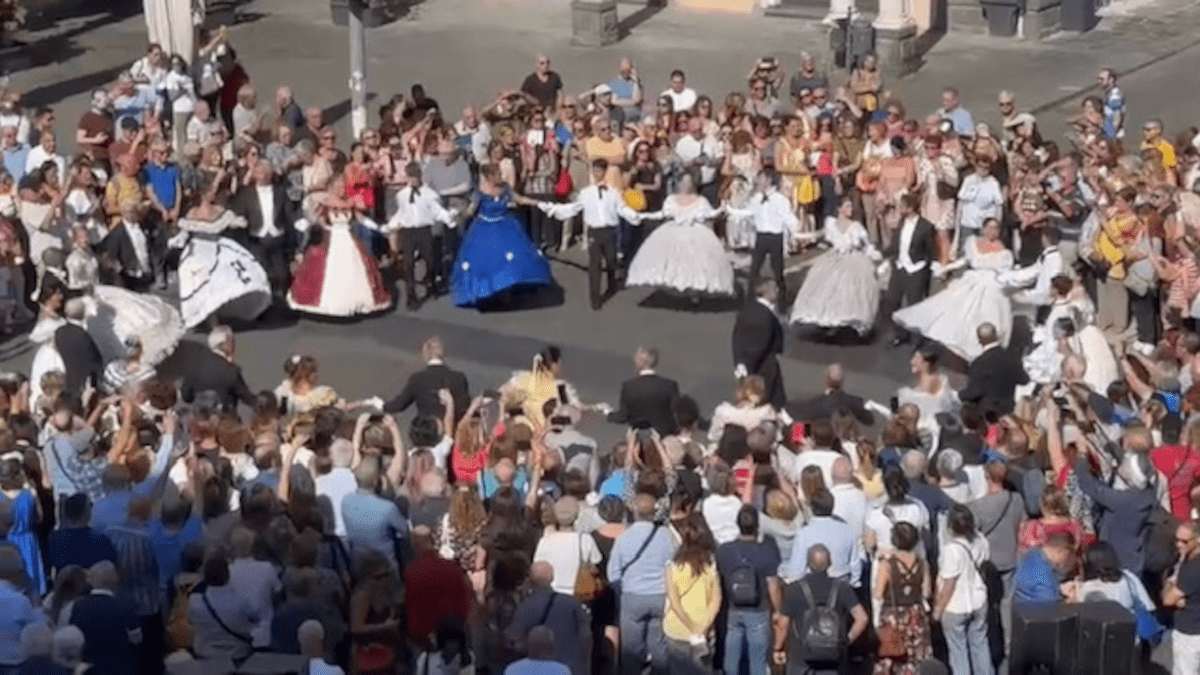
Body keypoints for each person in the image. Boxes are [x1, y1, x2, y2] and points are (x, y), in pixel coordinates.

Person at [893, 217, 1015, 361]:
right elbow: (965, 261)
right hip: (971, 282)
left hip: (991, 287)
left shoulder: (1005, 253)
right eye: (989, 227)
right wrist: (946, 268)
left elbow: (1006, 274)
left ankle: (981, 349)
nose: (991, 231)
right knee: (954, 311)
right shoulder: (973, 243)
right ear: (983, 228)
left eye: (995, 228)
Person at [536, 159, 644, 310]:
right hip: (594, 231)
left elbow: (622, 209)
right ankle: (595, 298)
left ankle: (612, 283)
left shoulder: (613, 192)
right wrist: (552, 209)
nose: (597, 174)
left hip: (609, 230)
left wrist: (634, 216)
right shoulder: (586, 193)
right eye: (595, 171)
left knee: (611, 261)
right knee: (595, 264)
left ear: (605, 172)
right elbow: (573, 208)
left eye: (600, 171)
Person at [169, 178, 272, 328]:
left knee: (224, 277)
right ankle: (203, 315)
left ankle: (220, 312)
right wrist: (176, 240)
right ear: (202, 195)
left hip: (216, 248)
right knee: (190, 273)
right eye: (207, 192)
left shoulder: (220, 211)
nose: (210, 196)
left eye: (212, 192)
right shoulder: (192, 211)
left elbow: (238, 222)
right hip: (196, 249)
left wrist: (239, 221)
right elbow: (184, 232)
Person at [451, 163, 553, 308]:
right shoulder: (479, 192)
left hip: (505, 226)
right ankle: (487, 292)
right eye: (497, 174)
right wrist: (457, 215)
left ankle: (506, 290)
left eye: (500, 173)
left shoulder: (505, 189)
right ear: (488, 177)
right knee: (487, 262)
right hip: (484, 228)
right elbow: (471, 210)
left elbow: (519, 199)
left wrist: (538, 203)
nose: (501, 176)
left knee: (510, 259)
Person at [625, 172, 734, 299]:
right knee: (674, 261)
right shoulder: (671, 200)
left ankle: (694, 289)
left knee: (695, 262)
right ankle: (676, 284)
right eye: (683, 182)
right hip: (673, 232)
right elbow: (662, 214)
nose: (685, 185)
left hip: (695, 234)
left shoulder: (701, 201)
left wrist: (723, 207)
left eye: (688, 182)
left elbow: (710, 214)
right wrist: (643, 216)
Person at [789, 195, 881, 336]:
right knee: (826, 286)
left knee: (850, 289)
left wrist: (874, 256)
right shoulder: (831, 224)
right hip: (834, 258)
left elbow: (866, 246)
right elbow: (825, 237)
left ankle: (845, 322)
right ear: (839, 209)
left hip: (853, 259)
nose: (850, 209)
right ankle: (827, 320)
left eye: (850, 206)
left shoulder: (856, 227)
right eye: (847, 206)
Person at [607, 492, 677, 675]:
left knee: (631, 650)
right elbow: (676, 565)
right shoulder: (666, 536)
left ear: (634, 511)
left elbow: (613, 572)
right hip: (660, 594)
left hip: (632, 596)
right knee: (659, 645)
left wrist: (622, 592)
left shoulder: (624, 537)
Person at [288, 196, 392, 317]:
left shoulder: (350, 205)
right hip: (331, 238)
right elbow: (317, 221)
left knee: (356, 269)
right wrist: (307, 224)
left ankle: (356, 301)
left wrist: (378, 227)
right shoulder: (325, 206)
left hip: (349, 239)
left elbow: (362, 219)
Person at [776, 544, 868, 675]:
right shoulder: (842, 588)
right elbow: (862, 618)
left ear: (807, 563)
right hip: (832, 659)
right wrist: (845, 640)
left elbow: (783, 624)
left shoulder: (795, 589)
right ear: (830, 563)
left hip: (800, 659)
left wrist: (778, 647)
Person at [716, 506, 780, 675]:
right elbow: (773, 585)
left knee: (731, 657)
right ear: (757, 526)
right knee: (758, 660)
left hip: (733, 608)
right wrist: (778, 610)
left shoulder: (724, 550)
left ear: (738, 524)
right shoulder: (766, 551)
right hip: (758, 610)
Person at [386, 162, 459, 310]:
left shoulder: (429, 194)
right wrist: (391, 225)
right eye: (410, 177)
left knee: (429, 259)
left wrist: (449, 218)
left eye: (415, 177)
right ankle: (411, 297)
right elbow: (401, 213)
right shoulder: (402, 195)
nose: (413, 180)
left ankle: (430, 282)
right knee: (408, 263)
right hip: (407, 231)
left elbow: (437, 211)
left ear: (420, 177)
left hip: (424, 230)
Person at [934, 505, 992, 675]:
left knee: (958, 651)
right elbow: (984, 568)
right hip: (979, 599)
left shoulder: (951, 550)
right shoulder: (981, 541)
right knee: (980, 645)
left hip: (956, 605)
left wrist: (938, 609)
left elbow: (949, 583)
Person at [725, 169, 796, 298]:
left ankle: (782, 297)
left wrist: (794, 232)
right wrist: (730, 210)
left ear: (769, 181)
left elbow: (789, 218)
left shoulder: (780, 199)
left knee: (777, 269)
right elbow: (747, 212)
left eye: (760, 178)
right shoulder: (757, 198)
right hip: (761, 237)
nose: (757, 181)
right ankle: (751, 298)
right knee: (754, 268)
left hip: (775, 237)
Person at [873, 522, 933, 675]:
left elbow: (878, 594)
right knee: (916, 660)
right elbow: (926, 593)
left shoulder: (887, 564)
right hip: (916, 615)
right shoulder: (922, 563)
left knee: (891, 659)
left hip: (893, 617)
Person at [232, 160, 295, 301]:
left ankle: (280, 302)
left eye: (267, 173)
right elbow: (239, 212)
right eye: (260, 173)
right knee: (261, 272)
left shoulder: (280, 191)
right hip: (256, 238)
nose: (263, 176)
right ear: (254, 175)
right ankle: (263, 302)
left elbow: (288, 213)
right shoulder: (246, 193)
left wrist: (297, 222)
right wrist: (239, 221)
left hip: (277, 236)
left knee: (282, 274)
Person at [883, 194, 937, 348]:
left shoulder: (926, 226)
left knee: (915, 304)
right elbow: (896, 244)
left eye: (902, 206)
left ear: (911, 208)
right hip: (900, 267)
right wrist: (884, 254)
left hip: (916, 269)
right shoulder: (901, 223)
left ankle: (917, 338)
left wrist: (932, 266)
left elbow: (931, 249)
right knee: (892, 301)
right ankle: (899, 333)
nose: (899, 209)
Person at [384, 336, 471, 422]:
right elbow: (463, 408)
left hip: (427, 431)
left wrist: (380, 405)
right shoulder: (459, 378)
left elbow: (398, 405)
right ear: (443, 353)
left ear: (424, 354)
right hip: (453, 431)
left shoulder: (418, 379)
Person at [733, 279, 787, 411]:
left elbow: (736, 336)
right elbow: (761, 343)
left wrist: (740, 362)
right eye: (774, 288)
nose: (778, 291)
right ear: (766, 292)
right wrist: (750, 364)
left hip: (751, 366)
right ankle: (797, 431)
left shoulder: (747, 310)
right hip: (766, 367)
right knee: (777, 403)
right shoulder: (765, 316)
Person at [178, 325, 256, 412]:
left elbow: (186, 395)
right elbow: (247, 398)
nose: (235, 345)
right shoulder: (231, 371)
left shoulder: (194, 362)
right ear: (225, 343)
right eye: (232, 341)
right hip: (225, 421)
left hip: (199, 419)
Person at [958, 323, 1029, 417]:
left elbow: (974, 392)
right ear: (996, 335)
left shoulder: (978, 364)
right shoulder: (1012, 357)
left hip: (988, 415)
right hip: (1009, 411)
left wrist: (960, 395)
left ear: (979, 340)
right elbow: (1024, 379)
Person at [606, 347, 680, 437]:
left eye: (636, 359)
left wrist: (608, 412)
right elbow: (677, 413)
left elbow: (622, 417)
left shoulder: (629, 386)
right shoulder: (670, 385)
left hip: (639, 439)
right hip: (664, 437)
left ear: (642, 361)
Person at [1164, 521, 1200, 673]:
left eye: (1184, 541)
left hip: (1189, 633)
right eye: (1177, 540)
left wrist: (1168, 583)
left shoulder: (1193, 569)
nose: (1179, 545)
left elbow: (1167, 599)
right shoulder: (1187, 559)